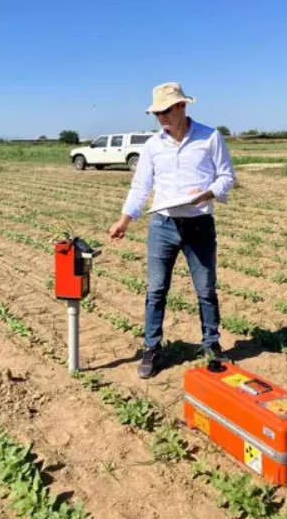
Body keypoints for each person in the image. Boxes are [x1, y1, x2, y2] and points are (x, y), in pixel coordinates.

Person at [108, 82, 236, 379]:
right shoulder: (153, 146)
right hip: (162, 225)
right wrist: (124, 220)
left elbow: (227, 177)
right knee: (156, 290)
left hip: (199, 224)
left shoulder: (210, 137)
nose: (161, 117)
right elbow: (140, 187)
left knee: (206, 289)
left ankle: (212, 344)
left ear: (182, 107)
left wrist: (206, 194)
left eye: (166, 110)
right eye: (156, 113)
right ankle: (151, 348)